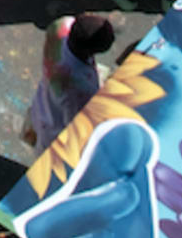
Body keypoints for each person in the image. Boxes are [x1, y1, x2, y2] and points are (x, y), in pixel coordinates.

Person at [24, 12, 117, 153]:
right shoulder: (80, 88)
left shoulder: (62, 25)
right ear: (90, 51)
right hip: (53, 134)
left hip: (42, 102)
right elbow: (76, 127)